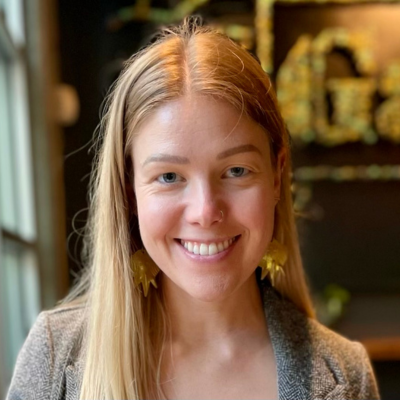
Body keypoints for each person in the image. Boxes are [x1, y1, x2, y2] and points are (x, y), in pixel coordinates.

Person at [7, 17, 380, 400]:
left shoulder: (346, 374)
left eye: (236, 171)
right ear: (128, 191)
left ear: (275, 177)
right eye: (169, 176)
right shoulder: (55, 358)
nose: (205, 211)